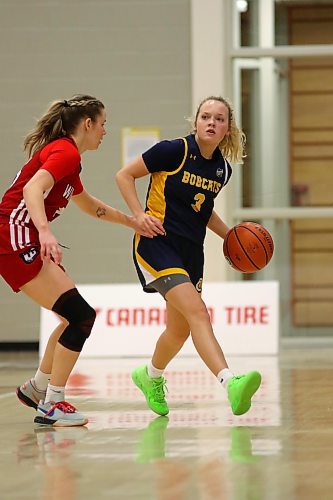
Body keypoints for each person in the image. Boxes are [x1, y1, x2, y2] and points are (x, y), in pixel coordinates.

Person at [0, 94, 151, 427]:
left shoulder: (69, 160)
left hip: (19, 234)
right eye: (103, 124)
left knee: (72, 318)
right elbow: (32, 190)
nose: (104, 131)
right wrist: (44, 232)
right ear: (87, 124)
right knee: (79, 316)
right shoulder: (65, 151)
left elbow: (88, 205)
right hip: (13, 233)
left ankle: (39, 388)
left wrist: (131, 221)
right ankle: (53, 402)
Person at [115, 96, 262, 417]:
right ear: (195, 122)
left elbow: (203, 210)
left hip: (191, 251)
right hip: (157, 243)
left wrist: (232, 237)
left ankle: (149, 376)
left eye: (219, 119)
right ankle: (230, 382)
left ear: (227, 128)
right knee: (198, 312)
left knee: (179, 330)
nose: (211, 122)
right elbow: (124, 175)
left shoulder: (222, 169)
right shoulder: (173, 151)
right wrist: (138, 215)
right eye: (206, 116)